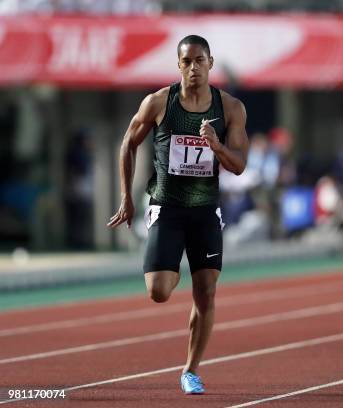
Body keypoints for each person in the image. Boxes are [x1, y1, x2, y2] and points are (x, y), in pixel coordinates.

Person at [107, 34, 248, 395]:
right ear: (179, 65)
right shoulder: (159, 102)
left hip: (204, 211)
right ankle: (173, 262)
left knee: (207, 293)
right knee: (159, 291)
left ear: (211, 64)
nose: (194, 68)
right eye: (187, 62)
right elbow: (128, 142)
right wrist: (127, 197)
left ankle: (190, 370)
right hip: (167, 208)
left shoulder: (230, 108)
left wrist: (216, 146)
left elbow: (240, 166)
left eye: (200, 60)